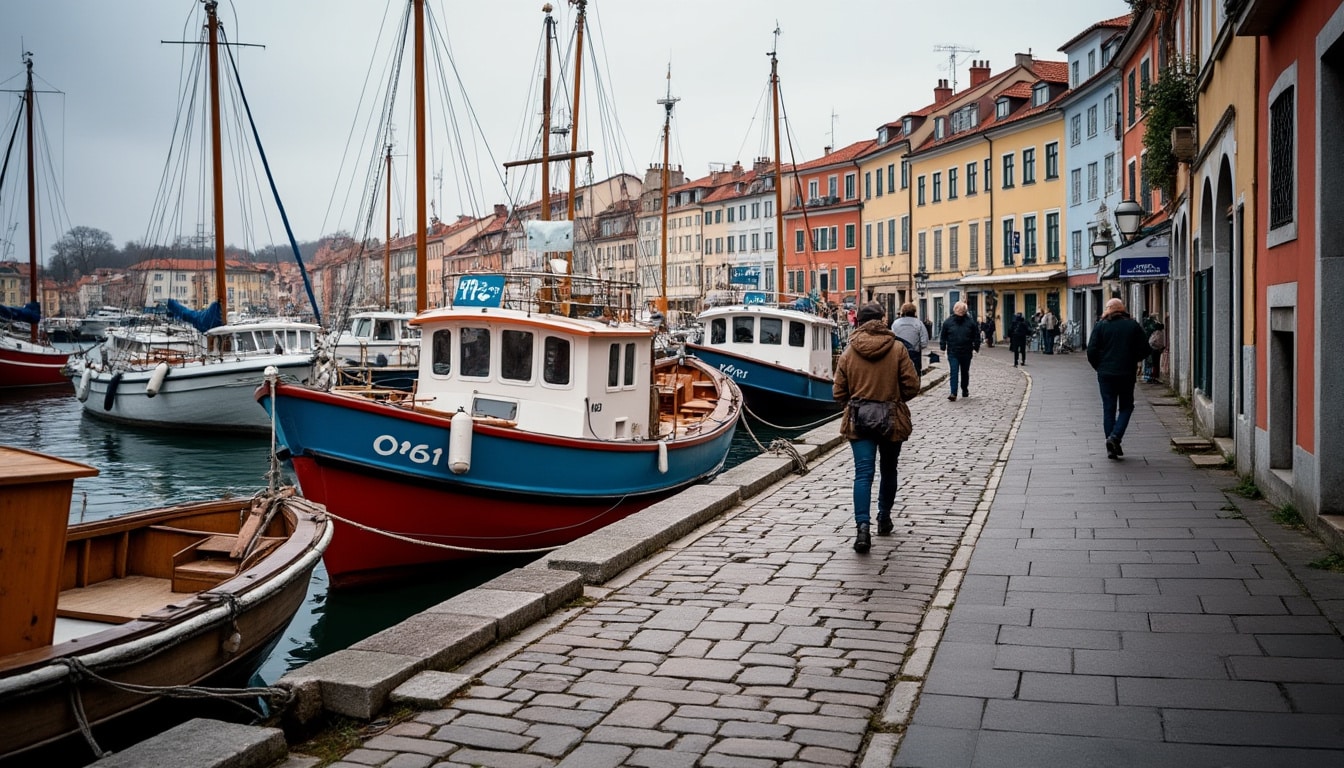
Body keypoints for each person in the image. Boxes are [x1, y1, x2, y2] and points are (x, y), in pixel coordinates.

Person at [833, 302, 921, 553]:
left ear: (858, 321)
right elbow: (912, 386)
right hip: (892, 418)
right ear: (883, 320)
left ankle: (862, 528)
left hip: (859, 420)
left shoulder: (849, 352)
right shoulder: (897, 349)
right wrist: (893, 397)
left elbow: (838, 391)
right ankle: (884, 517)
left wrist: (855, 400)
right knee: (889, 469)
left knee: (863, 474)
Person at [1086, 298, 1152, 459]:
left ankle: (1111, 445)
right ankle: (1115, 438)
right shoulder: (1132, 325)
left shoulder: (1100, 326)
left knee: (1108, 408)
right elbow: (1145, 349)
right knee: (1126, 407)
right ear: (1123, 310)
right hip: (1126, 373)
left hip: (1106, 374)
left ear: (1108, 310)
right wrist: (1133, 360)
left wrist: (1099, 367)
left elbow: (1091, 351)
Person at [940, 301, 980, 401]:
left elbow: (976, 335)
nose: (960, 313)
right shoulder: (948, 322)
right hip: (953, 351)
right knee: (954, 371)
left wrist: (976, 345)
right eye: (959, 311)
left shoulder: (970, 322)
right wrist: (943, 345)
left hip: (966, 351)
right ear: (955, 310)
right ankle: (953, 392)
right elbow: (943, 335)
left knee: (964, 371)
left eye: (962, 311)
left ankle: (964, 389)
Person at [890, 302, 929, 375]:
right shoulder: (919, 323)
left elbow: (892, 338)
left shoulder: (895, 323)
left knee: (899, 374)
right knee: (915, 374)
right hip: (914, 353)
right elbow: (924, 341)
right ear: (914, 312)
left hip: (899, 353)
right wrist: (918, 347)